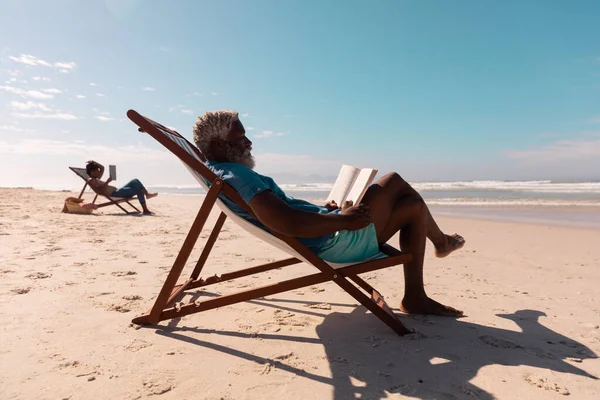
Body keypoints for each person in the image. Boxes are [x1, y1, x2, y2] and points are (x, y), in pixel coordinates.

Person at [192, 110, 466, 317]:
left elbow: (286, 213)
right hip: (333, 242)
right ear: (217, 145)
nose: (248, 142)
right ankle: (441, 243)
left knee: (412, 207)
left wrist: (329, 212)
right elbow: (285, 221)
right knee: (393, 180)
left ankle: (416, 295)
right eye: (240, 137)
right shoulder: (237, 175)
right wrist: (344, 219)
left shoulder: (221, 172)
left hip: (328, 232)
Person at [85, 161, 157, 215]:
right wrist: (107, 182)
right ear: (92, 171)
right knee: (138, 189)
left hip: (117, 191)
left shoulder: (97, 178)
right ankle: (146, 205)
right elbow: (99, 191)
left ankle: (147, 196)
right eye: (97, 170)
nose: (99, 171)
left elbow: (102, 168)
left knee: (135, 181)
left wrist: (92, 162)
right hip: (114, 194)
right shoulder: (90, 181)